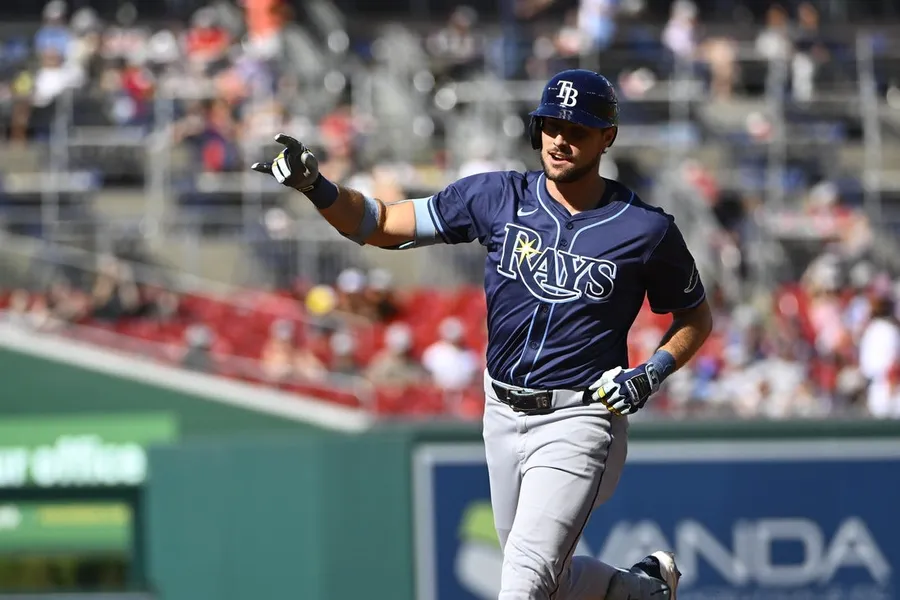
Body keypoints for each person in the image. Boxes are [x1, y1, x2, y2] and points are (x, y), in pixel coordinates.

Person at [251, 68, 713, 600]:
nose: (560, 139)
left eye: (578, 129)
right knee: (545, 580)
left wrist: (651, 372)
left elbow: (696, 318)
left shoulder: (645, 228)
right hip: (501, 408)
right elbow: (381, 224)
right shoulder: (497, 195)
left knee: (524, 579)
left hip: (580, 417)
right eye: (552, 125)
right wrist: (317, 188)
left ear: (607, 136)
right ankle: (644, 591)